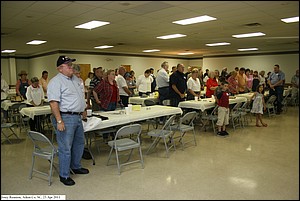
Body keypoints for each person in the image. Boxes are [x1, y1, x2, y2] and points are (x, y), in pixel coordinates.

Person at [47, 55, 89, 186]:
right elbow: (53, 103)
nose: (71, 67)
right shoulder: (56, 82)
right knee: (65, 147)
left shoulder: (75, 79)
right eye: (68, 65)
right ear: (60, 69)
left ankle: (76, 166)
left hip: (77, 117)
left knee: (79, 143)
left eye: (71, 64)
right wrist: (59, 121)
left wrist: (83, 109)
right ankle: (64, 175)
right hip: (65, 117)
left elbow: (80, 96)